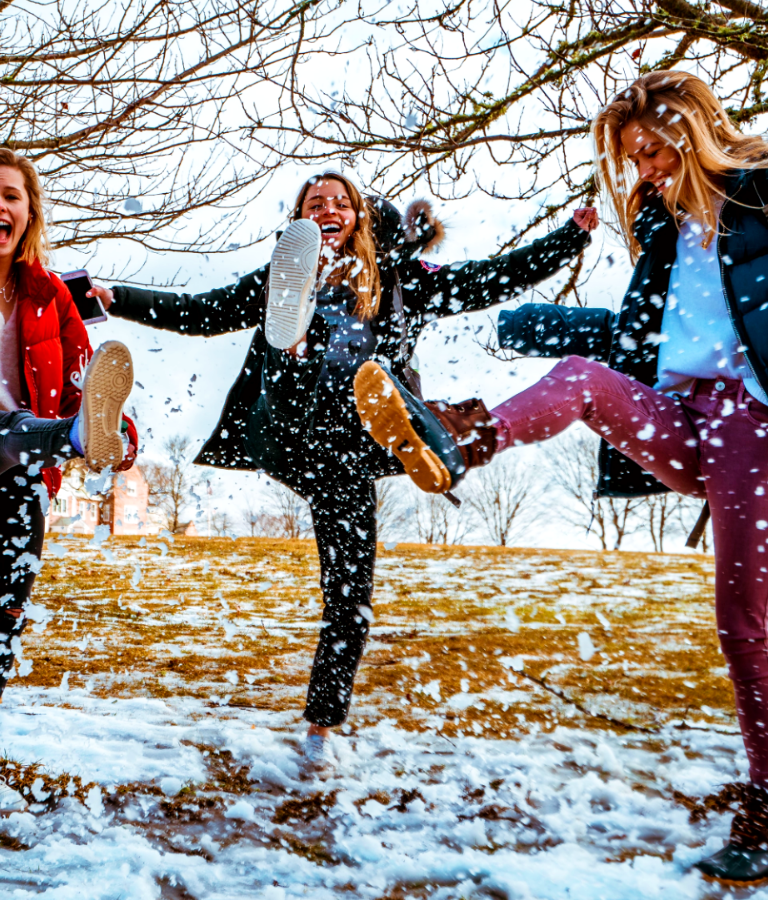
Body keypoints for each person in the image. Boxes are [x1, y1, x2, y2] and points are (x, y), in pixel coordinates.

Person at [362, 71, 768, 881]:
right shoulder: (662, 233)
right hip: (688, 419)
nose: (645, 169)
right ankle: (462, 444)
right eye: (633, 158)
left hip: (753, 423)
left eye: (653, 151)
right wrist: (532, 326)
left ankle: (766, 796)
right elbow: (637, 341)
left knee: (743, 621)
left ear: (693, 131)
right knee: (582, 374)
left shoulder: (760, 201)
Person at [89, 171, 595, 769]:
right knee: (312, 353)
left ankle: (321, 726)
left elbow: (482, 280)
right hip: (298, 432)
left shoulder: (401, 277)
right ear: (299, 223)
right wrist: (117, 298)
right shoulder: (280, 273)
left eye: (340, 202)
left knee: (350, 592)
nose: (329, 208)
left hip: (356, 444)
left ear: (359, 215)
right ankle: (304, 345)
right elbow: (204, 311)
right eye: (314, 204)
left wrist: (566, 240)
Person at [0, 150, 137, 811]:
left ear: (28, 214)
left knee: (3, 620)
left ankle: (79, 437)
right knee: (33, 430)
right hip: (23, 443)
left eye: (11, 197)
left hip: (21, 483)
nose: (0, 206)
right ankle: (73, 437)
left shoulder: (50, 294)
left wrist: (122, 436)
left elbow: (90, 375)